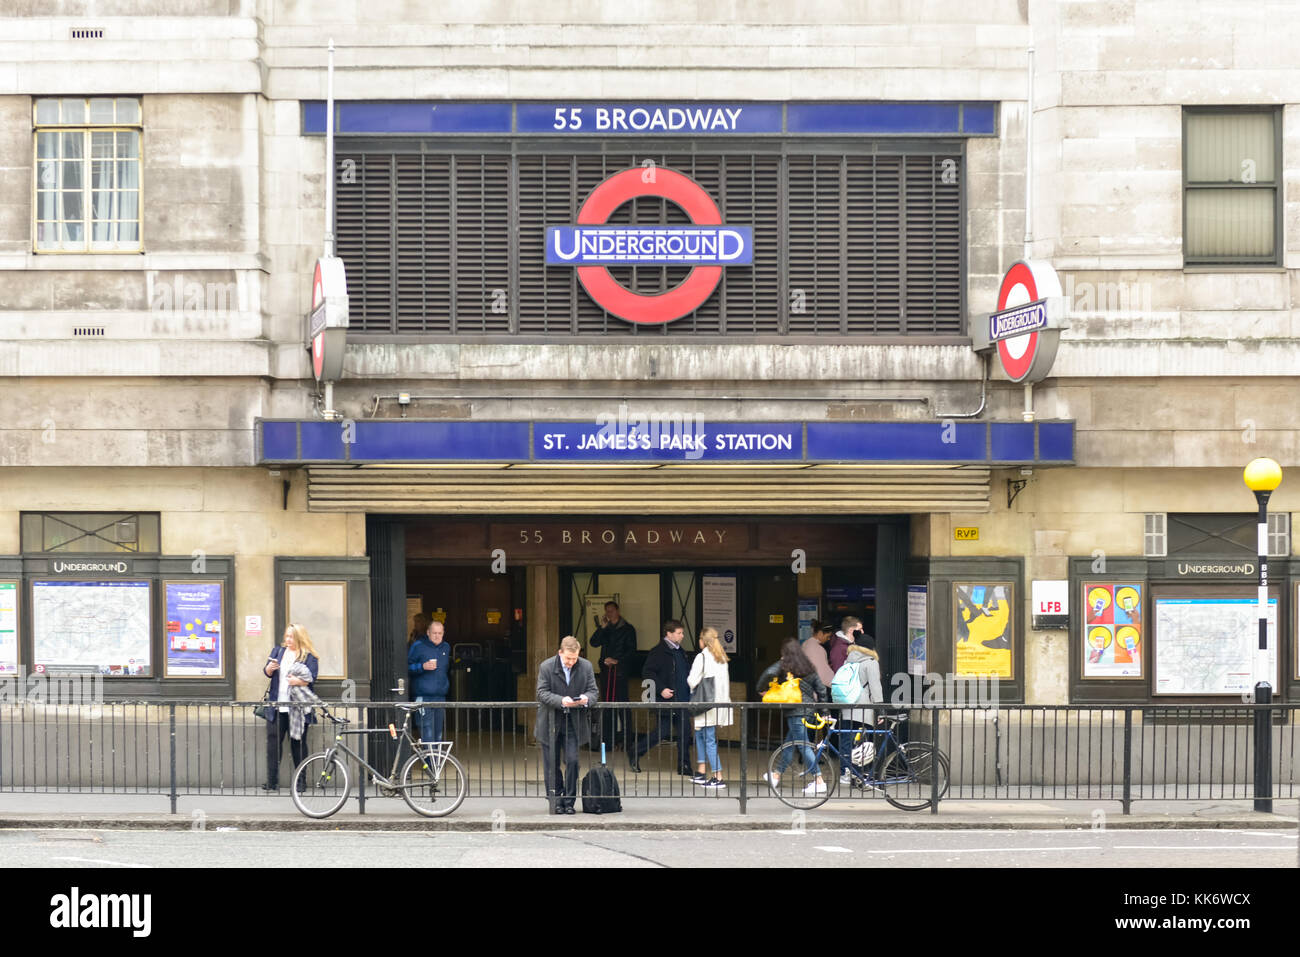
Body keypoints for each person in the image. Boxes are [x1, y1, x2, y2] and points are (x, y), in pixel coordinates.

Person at [757, 637, 829, 796]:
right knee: (790, 744)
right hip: (809, 711)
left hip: (795, 712)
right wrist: (824, 712)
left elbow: (768, 673)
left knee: (803, 745)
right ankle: (775, 775)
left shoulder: (785, 665)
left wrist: (761, 689)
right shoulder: (808, 666)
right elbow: (821, 690)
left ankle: (819, 781)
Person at [535, 635, 598, 814]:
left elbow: (594, 691)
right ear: (560, 653)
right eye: (568, 659)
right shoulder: (546, 666)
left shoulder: (585, 666)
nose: (571, 662)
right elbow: (541, 693)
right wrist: (562, 700)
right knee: (551, 765)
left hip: (574, 721)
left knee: (573, 761)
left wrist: (586, 699)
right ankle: (555, 799)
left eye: (574, 658)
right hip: (550, 721)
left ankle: (569, 801)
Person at [629, 619, 693, 775]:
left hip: (682, 700)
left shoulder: (680, 652)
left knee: (685, 733)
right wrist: (662, 688)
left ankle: (684, 765)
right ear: (669, 634)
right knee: (662, 732)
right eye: (679, 633)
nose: (682, 636)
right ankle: (635, 752)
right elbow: (647, 672)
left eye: (682, 633)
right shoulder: (658, 651)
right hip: (667, 700)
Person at [262, 623, 320, 792]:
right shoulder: (278, 652)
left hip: (298, 709)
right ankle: (272, 781)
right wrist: (269, 668)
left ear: (299, 638)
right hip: (277, 706)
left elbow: (312, 678)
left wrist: (299, 682)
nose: (287, 640)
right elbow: (266, 672)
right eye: (286, 636)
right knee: (273, 744)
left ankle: (301, 782)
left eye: (291, 637)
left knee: (298, 745)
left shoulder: (308, 656)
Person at [833, 631, 884, 785]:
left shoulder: (848, 661)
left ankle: (845, 773)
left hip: (847, 707)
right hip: (863, 710)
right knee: (862, 745)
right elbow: (875, 688)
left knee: (847, 742)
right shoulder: (871, 662)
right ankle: (858, 775)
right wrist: (880, 710)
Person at [687, 627, 733, 788]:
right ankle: (701, 771)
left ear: (703, 641)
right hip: (719, 703)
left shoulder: (702, 657)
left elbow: (692, 680)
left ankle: (717, 775)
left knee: (708, 738)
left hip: (705, 704)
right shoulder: (721, 658)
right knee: (701, 734)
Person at [589, 600, 636, 749]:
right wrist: (602, 627)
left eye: (611, 611)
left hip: (620, 672)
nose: (609, 614)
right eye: (607, 611)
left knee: (623, 706)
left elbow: (631, 650)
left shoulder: (628, 629)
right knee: (607, 706)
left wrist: (617, 661)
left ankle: (627, 741)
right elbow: (593, 642)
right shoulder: (606, 629)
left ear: (617, 611)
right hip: (606, 671)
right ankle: (608, 741)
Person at [408, 619, 451, 743]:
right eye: (434, 633)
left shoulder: (446, 647)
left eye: (440, 633)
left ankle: (436, 762)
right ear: (428, 632)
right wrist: (422, 667)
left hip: (440, 697)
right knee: (427, 733)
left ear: (443, 633)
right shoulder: (418, 646)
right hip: (423, 697)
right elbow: (406, 667)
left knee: (438, 734)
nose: (437, 636)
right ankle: (429, 762)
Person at [800, 620, 836, 687]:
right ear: (820, 633)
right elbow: (823, 674)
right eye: (827, 636)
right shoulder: (817, 649)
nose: (828, 639)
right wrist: (838, 685)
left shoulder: (805, 644)